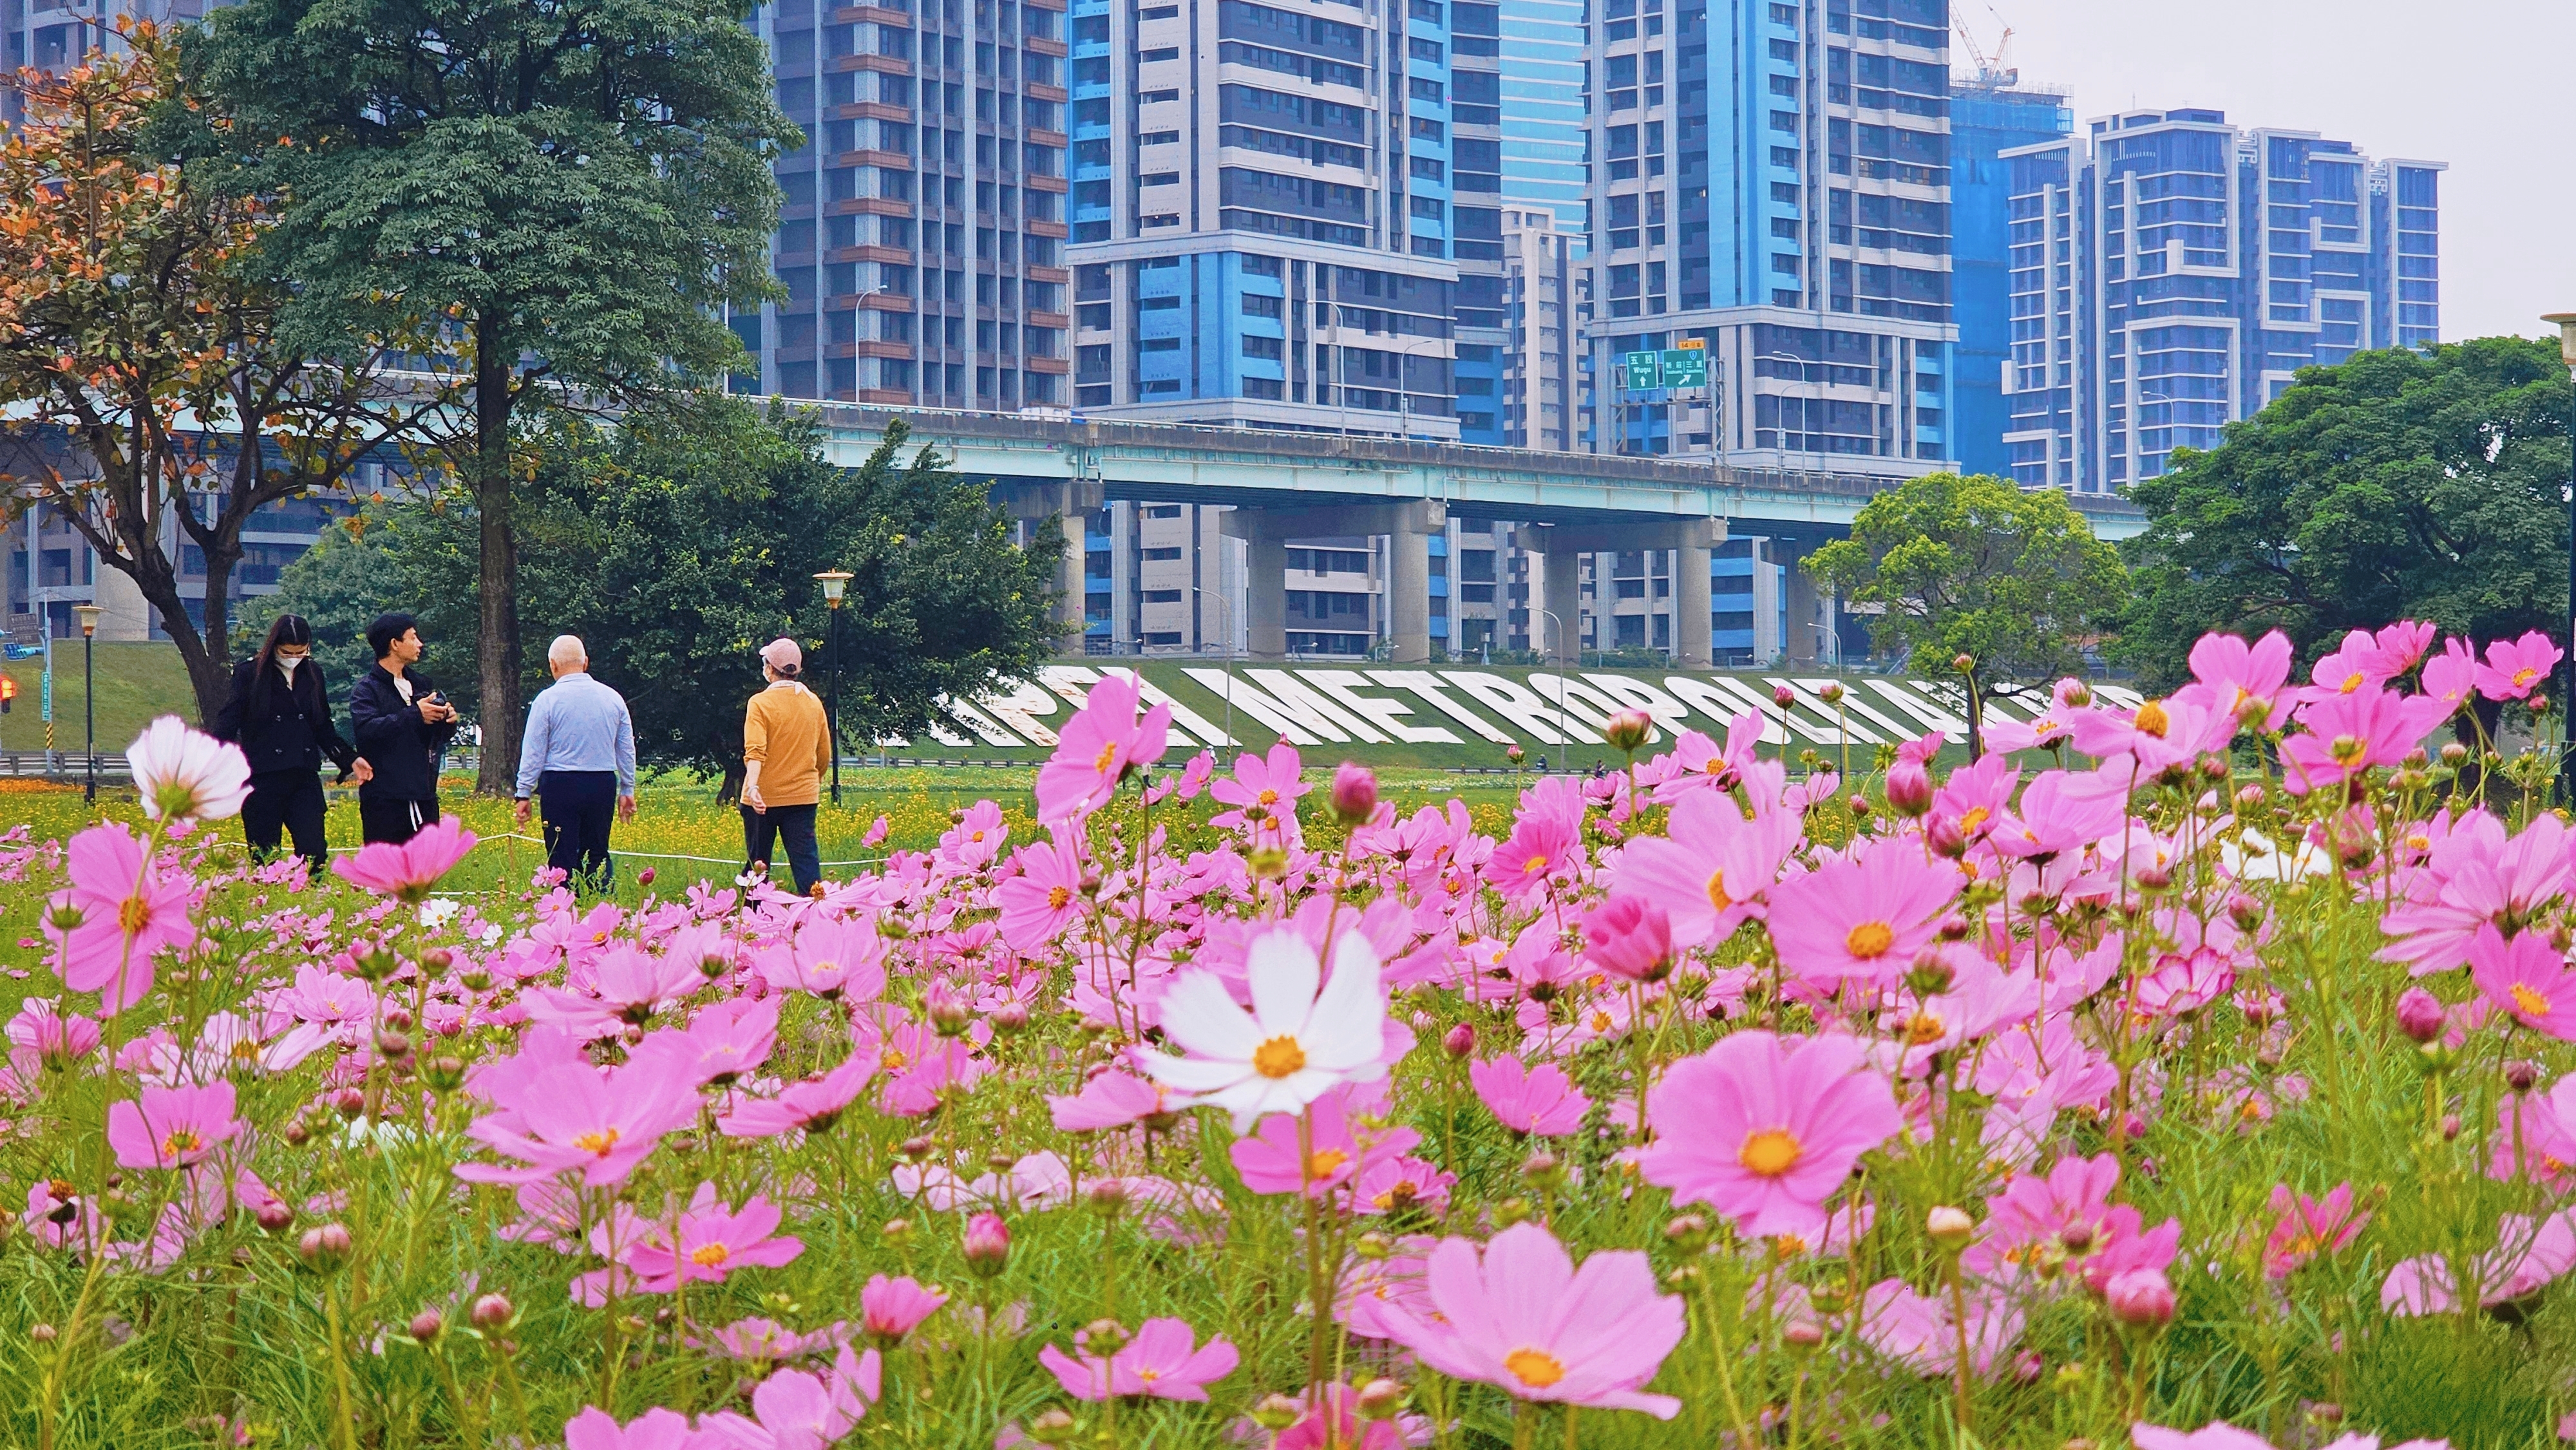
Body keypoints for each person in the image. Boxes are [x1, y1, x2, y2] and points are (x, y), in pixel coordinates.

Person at [210, 614, 374, 873]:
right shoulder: (249, 674)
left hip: (303, 774)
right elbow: (228, 722)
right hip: (262, 776)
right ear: (274, 646)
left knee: (314, 853)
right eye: (287, 652)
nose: (294, 657)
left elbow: (322, 725)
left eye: (301, 652)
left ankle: (311, 901)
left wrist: (349, 758)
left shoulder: (313, 673)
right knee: (264, 854)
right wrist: (213, 764)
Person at [513, 635, 637, 890]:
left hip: (560, 784)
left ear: (553, 665)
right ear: (586, 663)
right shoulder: (613, 698)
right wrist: (627, 789)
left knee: (561, 856)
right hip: (601, 782)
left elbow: (534, 751)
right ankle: (598, 902)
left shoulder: (546, 700)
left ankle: (564, 906)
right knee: (597, 852)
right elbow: (626, 749)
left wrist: (523, 793)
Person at [349, 612, 460, 845]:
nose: (420, 644)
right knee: (388, 874)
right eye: (413, 637)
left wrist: (447, 720)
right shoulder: (366, 691)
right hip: (385, 801)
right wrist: (415, 714)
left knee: (427, 871)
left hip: (424, 793)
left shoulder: (422, 684)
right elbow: (367, 732)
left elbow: (434, 738)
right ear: (395, 644)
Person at [740, 636, 830, 896]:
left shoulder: (759, 703)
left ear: (769, 669)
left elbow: (755, 751)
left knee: (758, 865)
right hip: (803, 797)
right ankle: (816, 916)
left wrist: (754, 785)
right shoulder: (814, 703)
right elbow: (823, 754)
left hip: (762, 798)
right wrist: (811, 781)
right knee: (806, 865)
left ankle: (753, 921)